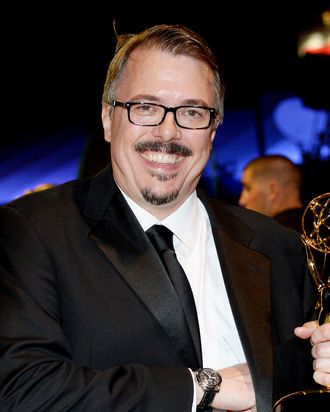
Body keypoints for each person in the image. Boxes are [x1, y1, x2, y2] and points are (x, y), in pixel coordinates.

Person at [0, 24, 329, 412]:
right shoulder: (31, 232)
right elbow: (21, 389)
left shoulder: (281, 248)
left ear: (214, 129)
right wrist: (204, 387)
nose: (168, 132)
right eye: (146, 107)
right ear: (108, 118)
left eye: (192, 112)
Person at [238, 154, 305, 232]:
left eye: (248, 188)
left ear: (273, 190)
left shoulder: (271, 239)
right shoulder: (317, 228)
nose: (242, 201)